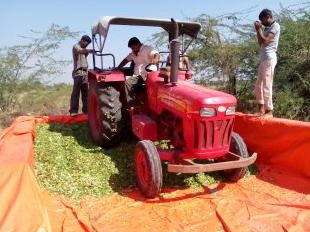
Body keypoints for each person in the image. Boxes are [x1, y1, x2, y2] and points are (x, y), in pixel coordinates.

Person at [115, 37, 159, 106]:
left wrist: (155, 60)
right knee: (127, 83)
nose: (132, 50)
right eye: (131, 48)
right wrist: (118, 67)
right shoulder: (133, 53)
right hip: (138, 76)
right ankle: (131, 105)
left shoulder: (147, 48)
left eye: (133, 48)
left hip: (148, 75)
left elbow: (156, 54)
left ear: (138, 44)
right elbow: (126, 60)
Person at [254, 9, 280, 118]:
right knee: (258, 85)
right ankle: (261, 109)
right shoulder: (266, 28)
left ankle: (269, 111)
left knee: (267, 85)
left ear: (268, 16)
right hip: (264, 59)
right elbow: (261, 43)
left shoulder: (275, 26)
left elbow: (266, 41)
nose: (262, 22)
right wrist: (258, 30)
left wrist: (259, 29)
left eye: (262, 20)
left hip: (269, 58)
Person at [69, 35, 94, 117]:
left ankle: (86, 111)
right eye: (86, 44)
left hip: (85, 72)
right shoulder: (76, 47)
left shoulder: (84, 50)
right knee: (76, 92)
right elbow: (81, 51)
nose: (87, 45)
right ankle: (73, 111)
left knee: (86, 93)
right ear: (82, 41)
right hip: (78, 72)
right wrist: (90, 51)